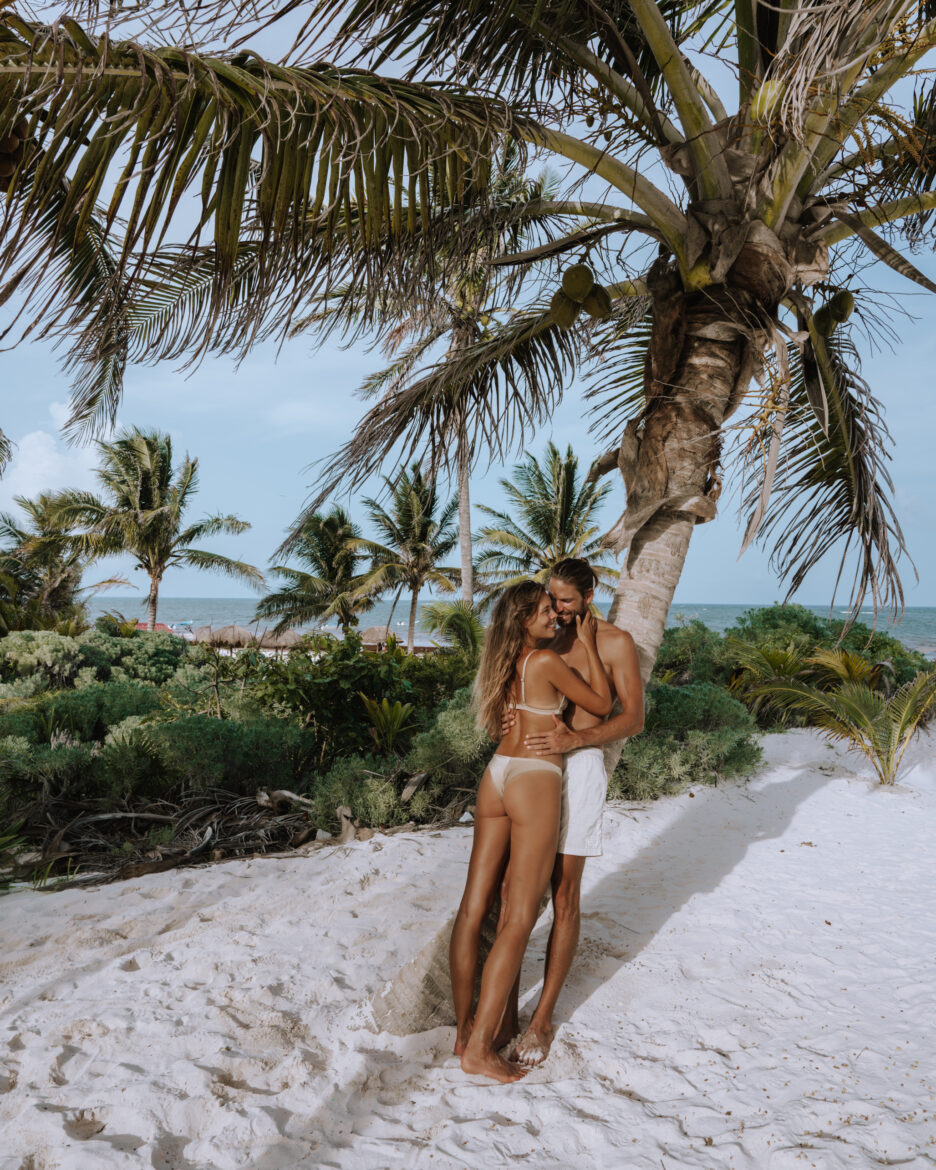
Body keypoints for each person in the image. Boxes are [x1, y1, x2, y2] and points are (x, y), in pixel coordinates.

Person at [449, 580, 613, 1083]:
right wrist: (586, 642)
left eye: (555, 609)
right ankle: (479, 1051)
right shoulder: (544, 662)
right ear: (522, 618)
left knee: (474, 908)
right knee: (518, 917)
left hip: (496, 776)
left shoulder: (502, 663)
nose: (554, 617)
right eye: (544, 611)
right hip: (534, 777)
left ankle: (464, 1033)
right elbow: (603, 704)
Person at [501, 558, 644, 1066]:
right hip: (535, 768)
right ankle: (503, 1016)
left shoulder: (616, 642)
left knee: (564, 891)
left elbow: (633, 717)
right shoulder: (545, 637)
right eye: (552, 599)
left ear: (589, 592)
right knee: (514, 886)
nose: (558, 610)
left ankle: (541, 1021)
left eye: (565, 600)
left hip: (580, 767)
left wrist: (577, 738)